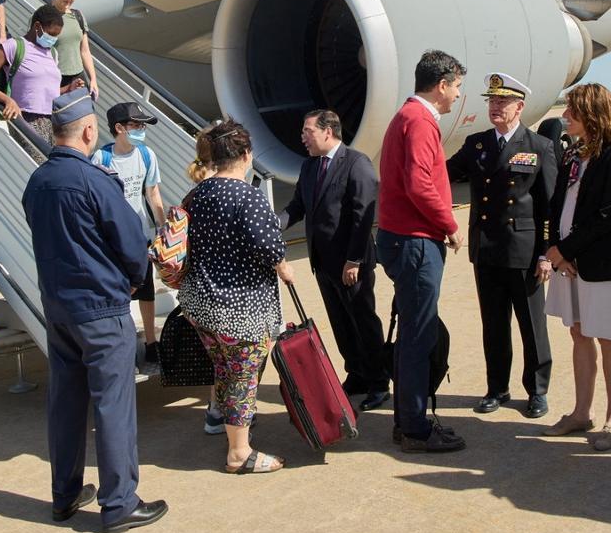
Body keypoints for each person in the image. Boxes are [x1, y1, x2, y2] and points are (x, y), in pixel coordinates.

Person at [22, 88, 168, 533]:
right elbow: (132, 248)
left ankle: (65, 495)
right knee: (113, 406)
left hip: (59, 310)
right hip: (102, 311)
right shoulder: (95, 181)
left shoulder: (38, 182)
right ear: (89, 130)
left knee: (65, 403)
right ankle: (119, 503)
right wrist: (133, 276)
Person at [177, 120, 295, 473]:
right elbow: (269, 244)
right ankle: (239, 452)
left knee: (224, 369)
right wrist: (284, 267)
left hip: (202, 304)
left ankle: (224, 420)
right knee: (243, 376)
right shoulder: (247, 195)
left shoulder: (195, 194)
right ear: (245, 155)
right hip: (242, 309)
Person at [446, 72, 556, 419]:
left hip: (524, 251)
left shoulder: (538, 146)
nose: (495, 107)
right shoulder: (477, 144)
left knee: (531, 325)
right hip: (487, 249)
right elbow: (443, 172)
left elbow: (549, 205)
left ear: (519, 106)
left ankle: (537, 390)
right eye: (492, 101)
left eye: (503, 102)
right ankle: (497, 388)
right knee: (493, 324)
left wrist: (546, 253)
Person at [376, 50, 466, 453]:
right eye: (457, 86)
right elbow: (419, 184)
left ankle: (407, 420)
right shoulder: (419, 121)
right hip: (415, 241)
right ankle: (414, 426)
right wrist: (449, 224)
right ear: (442, 84)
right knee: (418, 335)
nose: (458, 95)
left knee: (416, 330)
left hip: (406, 239)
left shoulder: (408, 118)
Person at [542, 84, 611, 452]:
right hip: (568, 264)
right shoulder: (573, 154)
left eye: (573, 111)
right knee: (579, 334)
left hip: (599, 263)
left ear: (592, 114)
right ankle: (582, 412)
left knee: (609, 338)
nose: (565, 116)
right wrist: (555, 251)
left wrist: (564, 250)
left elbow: (608, 213)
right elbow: (556, 204)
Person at [280, 109, 389, 412]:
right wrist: (270, 224)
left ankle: (379, 382)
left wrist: (353, 260)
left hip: (351, 263)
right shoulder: (310, 166)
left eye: (308, 131)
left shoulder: (357, 163)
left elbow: (363, 216)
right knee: (340, 322)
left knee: (363, 320)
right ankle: (357, 374)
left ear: (328, 132)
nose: (303, 137)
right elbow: (297, 207)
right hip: (323, 263)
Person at [93, 102, 166, 364]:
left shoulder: (147, 155)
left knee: (146, 290)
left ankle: (150, 342)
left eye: (142, 125)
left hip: (141, 236)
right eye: (136, 125)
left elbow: (152, 192)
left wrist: (161, 227)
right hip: (113, 241)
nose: (141, 130)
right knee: (120, 293)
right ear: (119, 128)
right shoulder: (101, 159)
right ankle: (122, 342)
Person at [0, 5, 64, 161]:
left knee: (52, 167)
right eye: (51, 34)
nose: (53, 39)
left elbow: (45, 89)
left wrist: (69, 88)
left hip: (54, 120)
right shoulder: (13, 46)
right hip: (26, 118)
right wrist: (7, 100)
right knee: (38, 165)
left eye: (56, 36)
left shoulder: (53, 53)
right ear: (37, 26)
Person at [48, 0, 98, 100]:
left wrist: (93, 79)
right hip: (54, 80)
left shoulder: (78, 16)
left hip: (78, 78)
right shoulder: (42, 18)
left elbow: (85, 51)